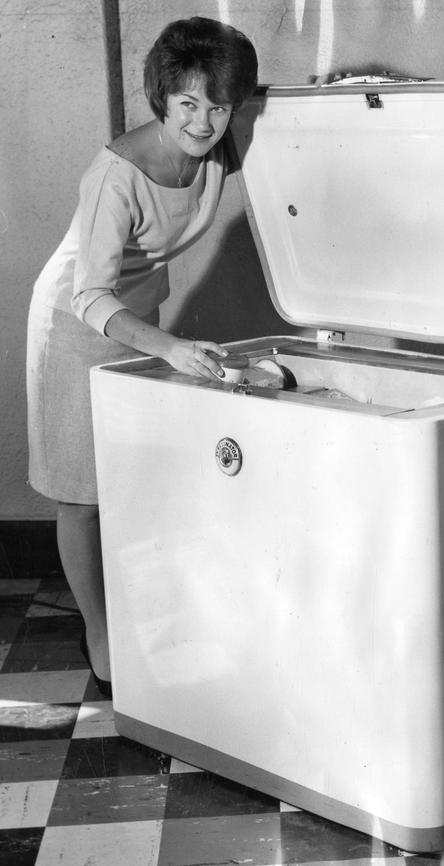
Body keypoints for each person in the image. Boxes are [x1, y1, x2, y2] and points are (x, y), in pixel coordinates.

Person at [26, 17, 258, 697]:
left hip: (139, 319)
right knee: (82, 497)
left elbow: (282, 105)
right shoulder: (115, 175)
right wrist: (172, 348)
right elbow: (90, 294)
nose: (204, 122)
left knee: (131, 480)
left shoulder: (220, 144)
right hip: (76, 322)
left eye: (220, 106)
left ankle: (140, 619)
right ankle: (98, 634)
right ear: (161, 99)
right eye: (187, 103)